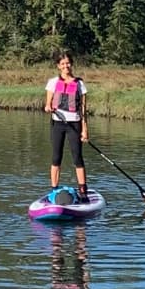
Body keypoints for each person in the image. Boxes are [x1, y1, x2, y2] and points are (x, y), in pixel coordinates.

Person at [43, 51, 90, 201]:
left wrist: (84, 130)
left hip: (74, 124)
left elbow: (83, 109)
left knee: (77, 157)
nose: (66, 66)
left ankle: (83, 191)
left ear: (71, 64)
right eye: (62, 64)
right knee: (56, 157)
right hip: (58, 123)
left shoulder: (79, 84)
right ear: (58, 66)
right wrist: (48, 107)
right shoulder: (52, 82)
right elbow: (47, 104)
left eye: (68, 63)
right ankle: (54, 190)